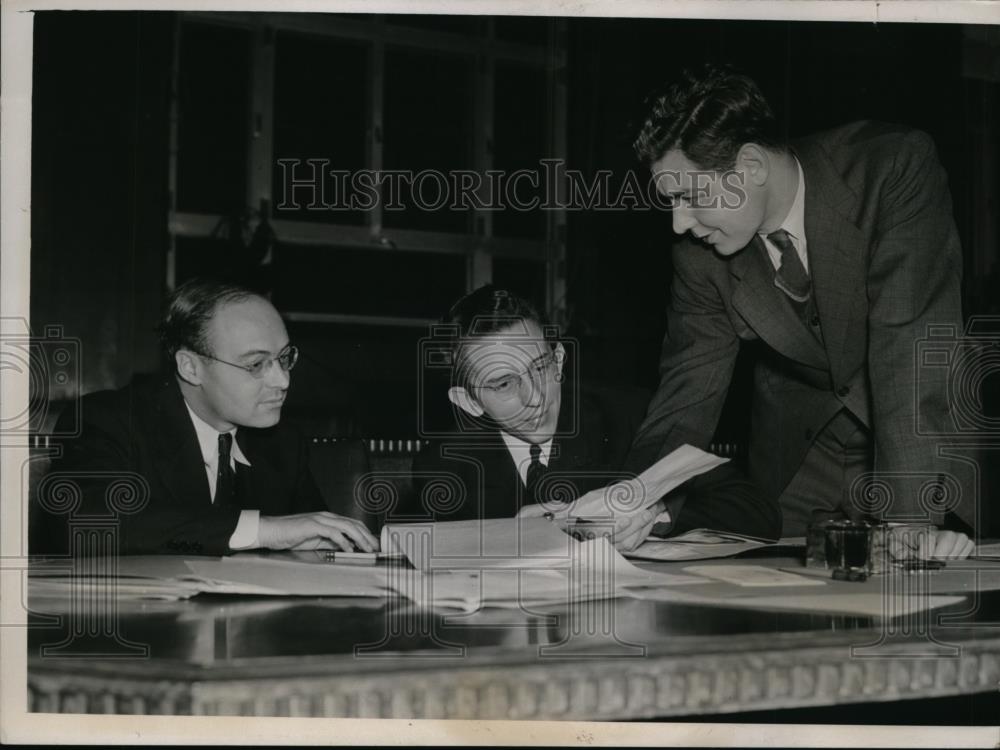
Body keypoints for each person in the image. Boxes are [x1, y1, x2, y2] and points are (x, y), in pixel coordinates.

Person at [625, 63, 974, 557]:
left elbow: (911, 344)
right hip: (794, 470)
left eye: (691, 196)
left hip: (917, 448)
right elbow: (687, 391)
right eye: (670, 202)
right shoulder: (699, 257)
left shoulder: (892, 167)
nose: (679, 223)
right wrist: (632, 502)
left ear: (750, 166)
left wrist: (909, 517)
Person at [404, 285, 781, 551]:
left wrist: (656, 515)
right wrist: (510, 537)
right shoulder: (442, 464)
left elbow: (757, 510)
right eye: (504, 384)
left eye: (540, 367)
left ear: (561, 361)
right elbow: (435, 554)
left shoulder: (633, 416)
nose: (534, 396)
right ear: (468, 402)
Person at [37, 278, 378, 556]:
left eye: (285, 358)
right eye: (256, 364)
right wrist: (264, 530)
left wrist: (315, 548)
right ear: (191, 367)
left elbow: (309, 536)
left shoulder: (282, 442)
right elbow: (86, 523)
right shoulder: (107, 420)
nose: (283, 381)